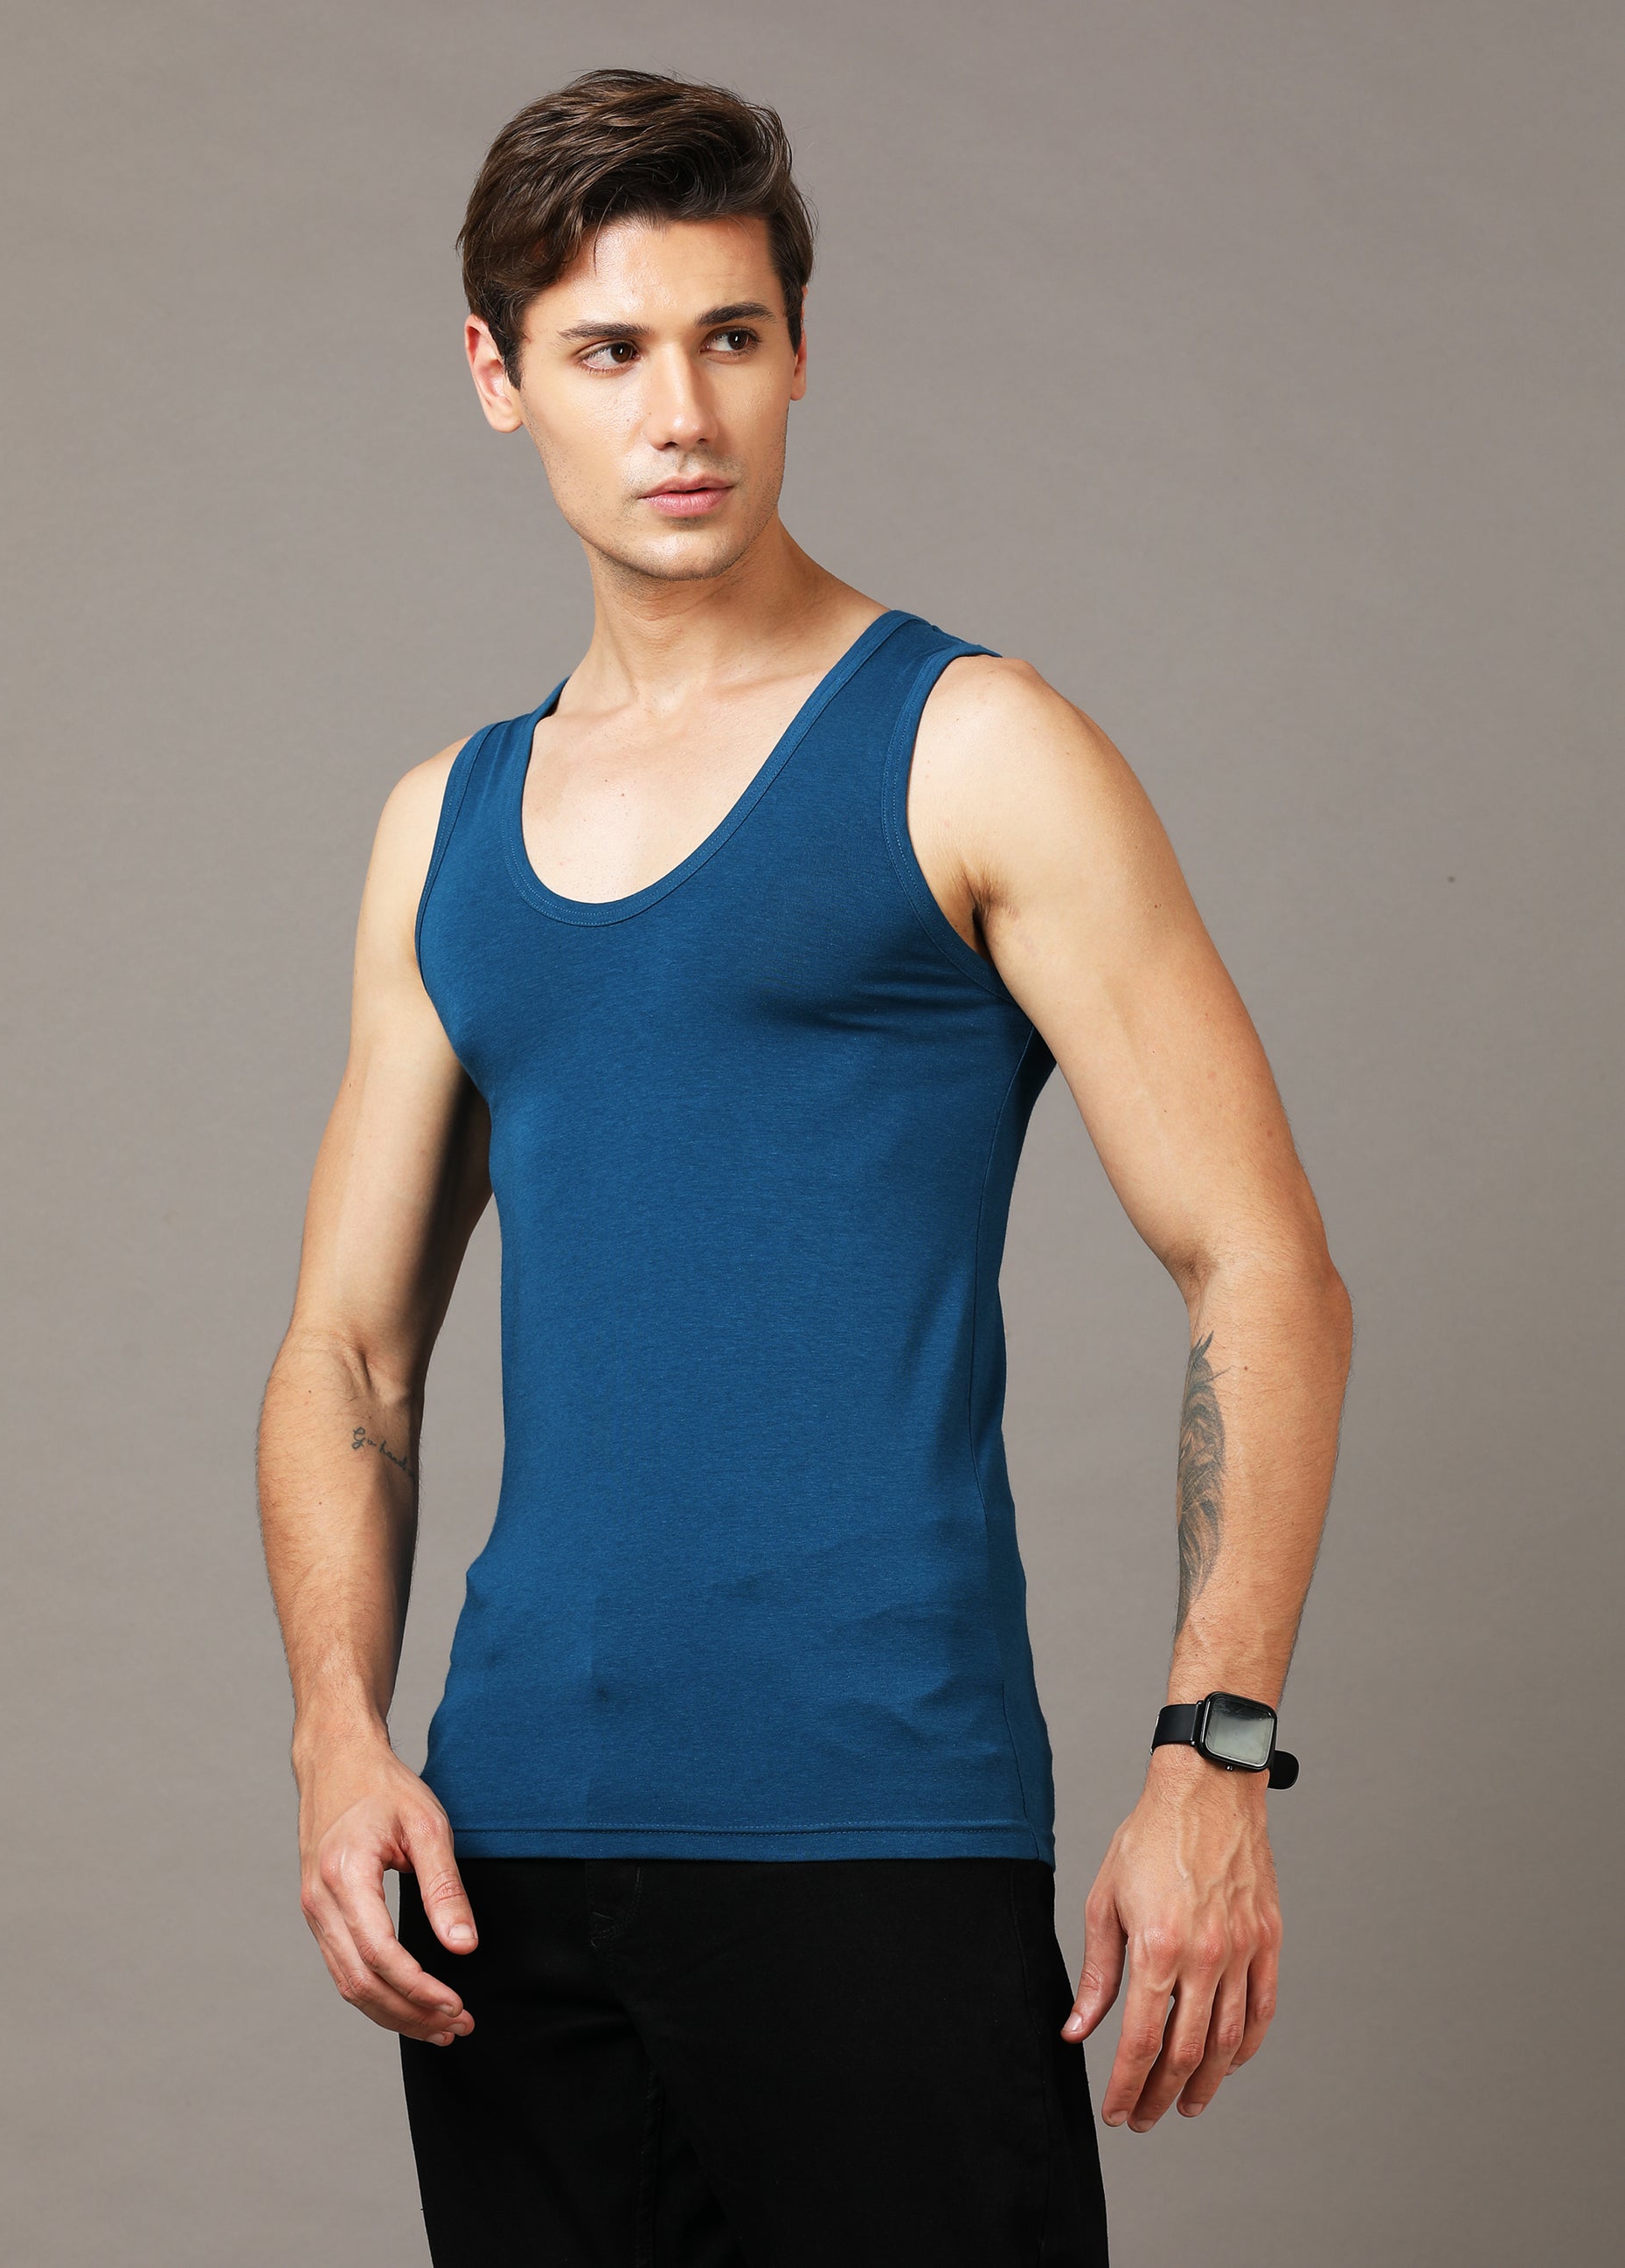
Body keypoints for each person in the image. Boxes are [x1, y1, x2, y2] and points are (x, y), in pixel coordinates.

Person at [256, 66, 1352, 2268]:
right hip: (511, 1863)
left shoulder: (976, 748)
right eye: (609, 350)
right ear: (496, 373)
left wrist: (1211, 1750)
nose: (682, 413)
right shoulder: (440, 829)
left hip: (877, 1832)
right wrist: (337, 1739)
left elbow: (1262, 1266)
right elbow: (348, 1352)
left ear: (795, 352)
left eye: (729, 338)